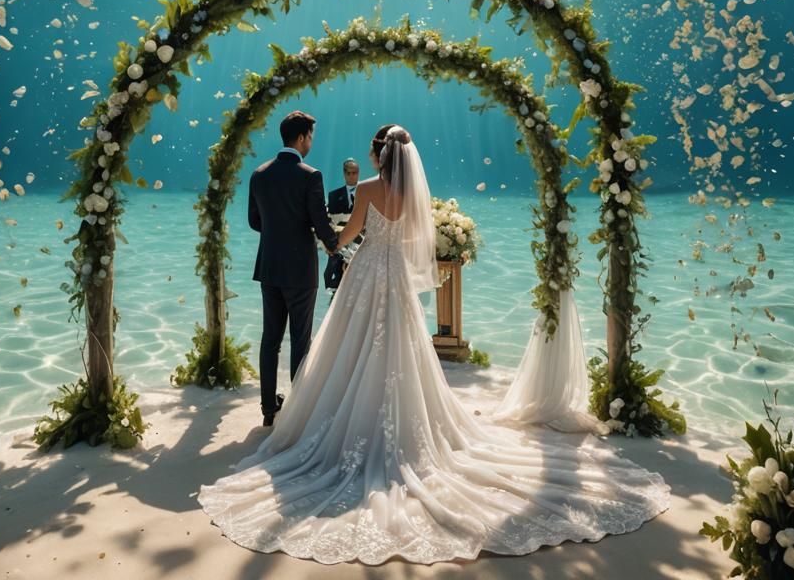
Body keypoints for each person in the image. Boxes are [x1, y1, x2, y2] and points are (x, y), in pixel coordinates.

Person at [201, 124, 670, 565]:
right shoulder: (414, 196)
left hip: (366, 275)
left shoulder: (366, 189)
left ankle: (334, 414)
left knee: (348, 344)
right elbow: (413, 241)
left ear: (377, 154)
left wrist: (332, 244)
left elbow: (348, 235)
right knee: (403, 349)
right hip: (399, 281)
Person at [248, 110, 338, 428]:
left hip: (269, 267)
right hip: (300, 270)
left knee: (270, 338)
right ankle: (298, 409)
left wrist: (279, 232)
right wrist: (335, 242)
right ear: (301, 138)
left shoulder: (259, 174)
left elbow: (254, 221)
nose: (311, 142)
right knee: (301, 338)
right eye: (311, 136)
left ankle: (268, 409)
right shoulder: (310, 175)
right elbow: (320, 222)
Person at [323, 158, 360, 293]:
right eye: (349, 173)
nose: (352, 176)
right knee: (336, 285)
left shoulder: (366, 192)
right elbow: (330, 222)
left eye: (355, 173)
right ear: (344, 174)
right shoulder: (333, 196)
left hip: (361, 246)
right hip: (340, 248)